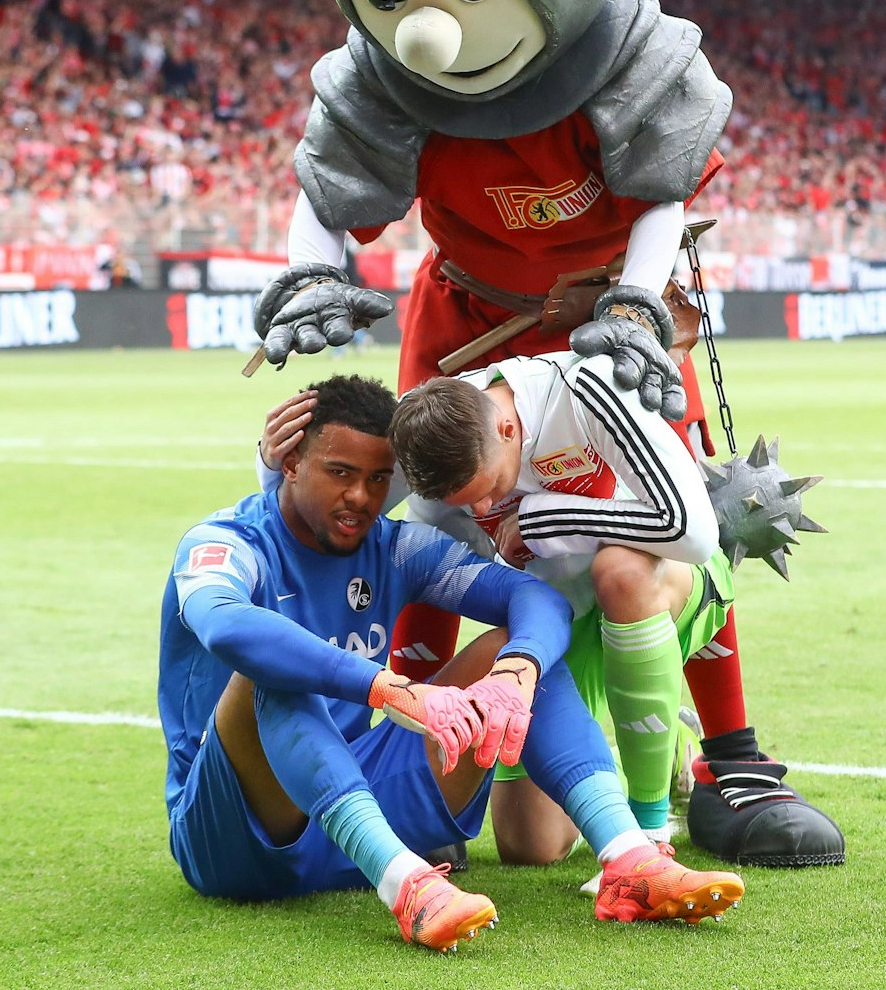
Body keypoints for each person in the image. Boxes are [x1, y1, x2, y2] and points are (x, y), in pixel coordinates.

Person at [247, 0, 765, 829]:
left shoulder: (624, 52)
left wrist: (631, 302)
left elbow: (664, 185)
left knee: (671, 523)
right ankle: (390, 739)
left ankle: (731, 761)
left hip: (610, 334)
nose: (427, 28)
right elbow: (327, 188)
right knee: (415, 521)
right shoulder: (383, 75)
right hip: (463, 327)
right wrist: (311, 269)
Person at [163, 375, 744, 953]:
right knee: (275, 673)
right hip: (231, 835)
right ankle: (408, 887)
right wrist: (384, 687)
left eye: (378, 479)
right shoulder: (226, 542)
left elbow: (534, 599)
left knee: (511, 653)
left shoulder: (393, 546)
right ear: (289, 462)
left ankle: (629, 861)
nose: (361, 498)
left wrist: (518, 670)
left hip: (356, 804)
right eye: (340, 473)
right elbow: (226, 623)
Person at [257, 357, 845, 874]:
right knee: (530, 845)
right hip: (560, 620)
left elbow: (690, 532)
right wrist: (272, 466)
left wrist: (543, 515)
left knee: (619, 571)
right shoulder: (435, 430)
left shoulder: (589, 389)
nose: (484, 511)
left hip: (668, 584)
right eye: (466, 505)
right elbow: (333, 518)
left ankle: (650, 830)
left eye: (488, 490)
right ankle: (655, 733)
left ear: (508, 429)